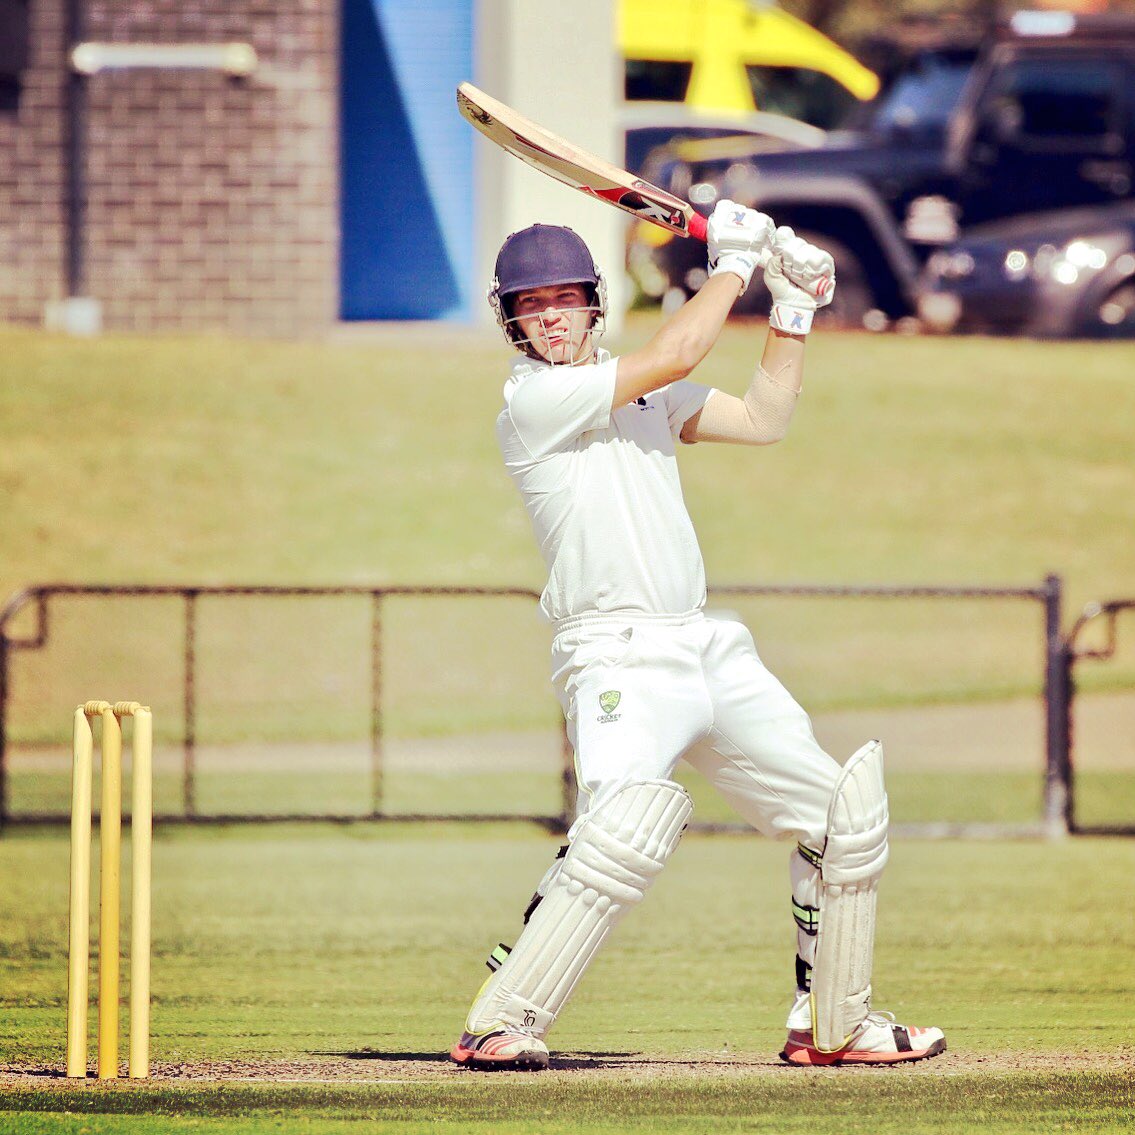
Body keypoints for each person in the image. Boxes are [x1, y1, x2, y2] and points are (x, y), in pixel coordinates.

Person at [449, 202, 946, 1070]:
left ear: (596, 305)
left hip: (703, 643)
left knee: (842, 820)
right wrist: (733, 262)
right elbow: (677, 350)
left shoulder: (643, 393)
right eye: (535, 305)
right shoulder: (536, 402)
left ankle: (832, 1023)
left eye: (567, 298)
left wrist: (791, 310)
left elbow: (763, 419)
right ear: (512, 321)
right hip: (613, 655)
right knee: (620, 832)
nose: (554, 316)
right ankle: (501, 1018)